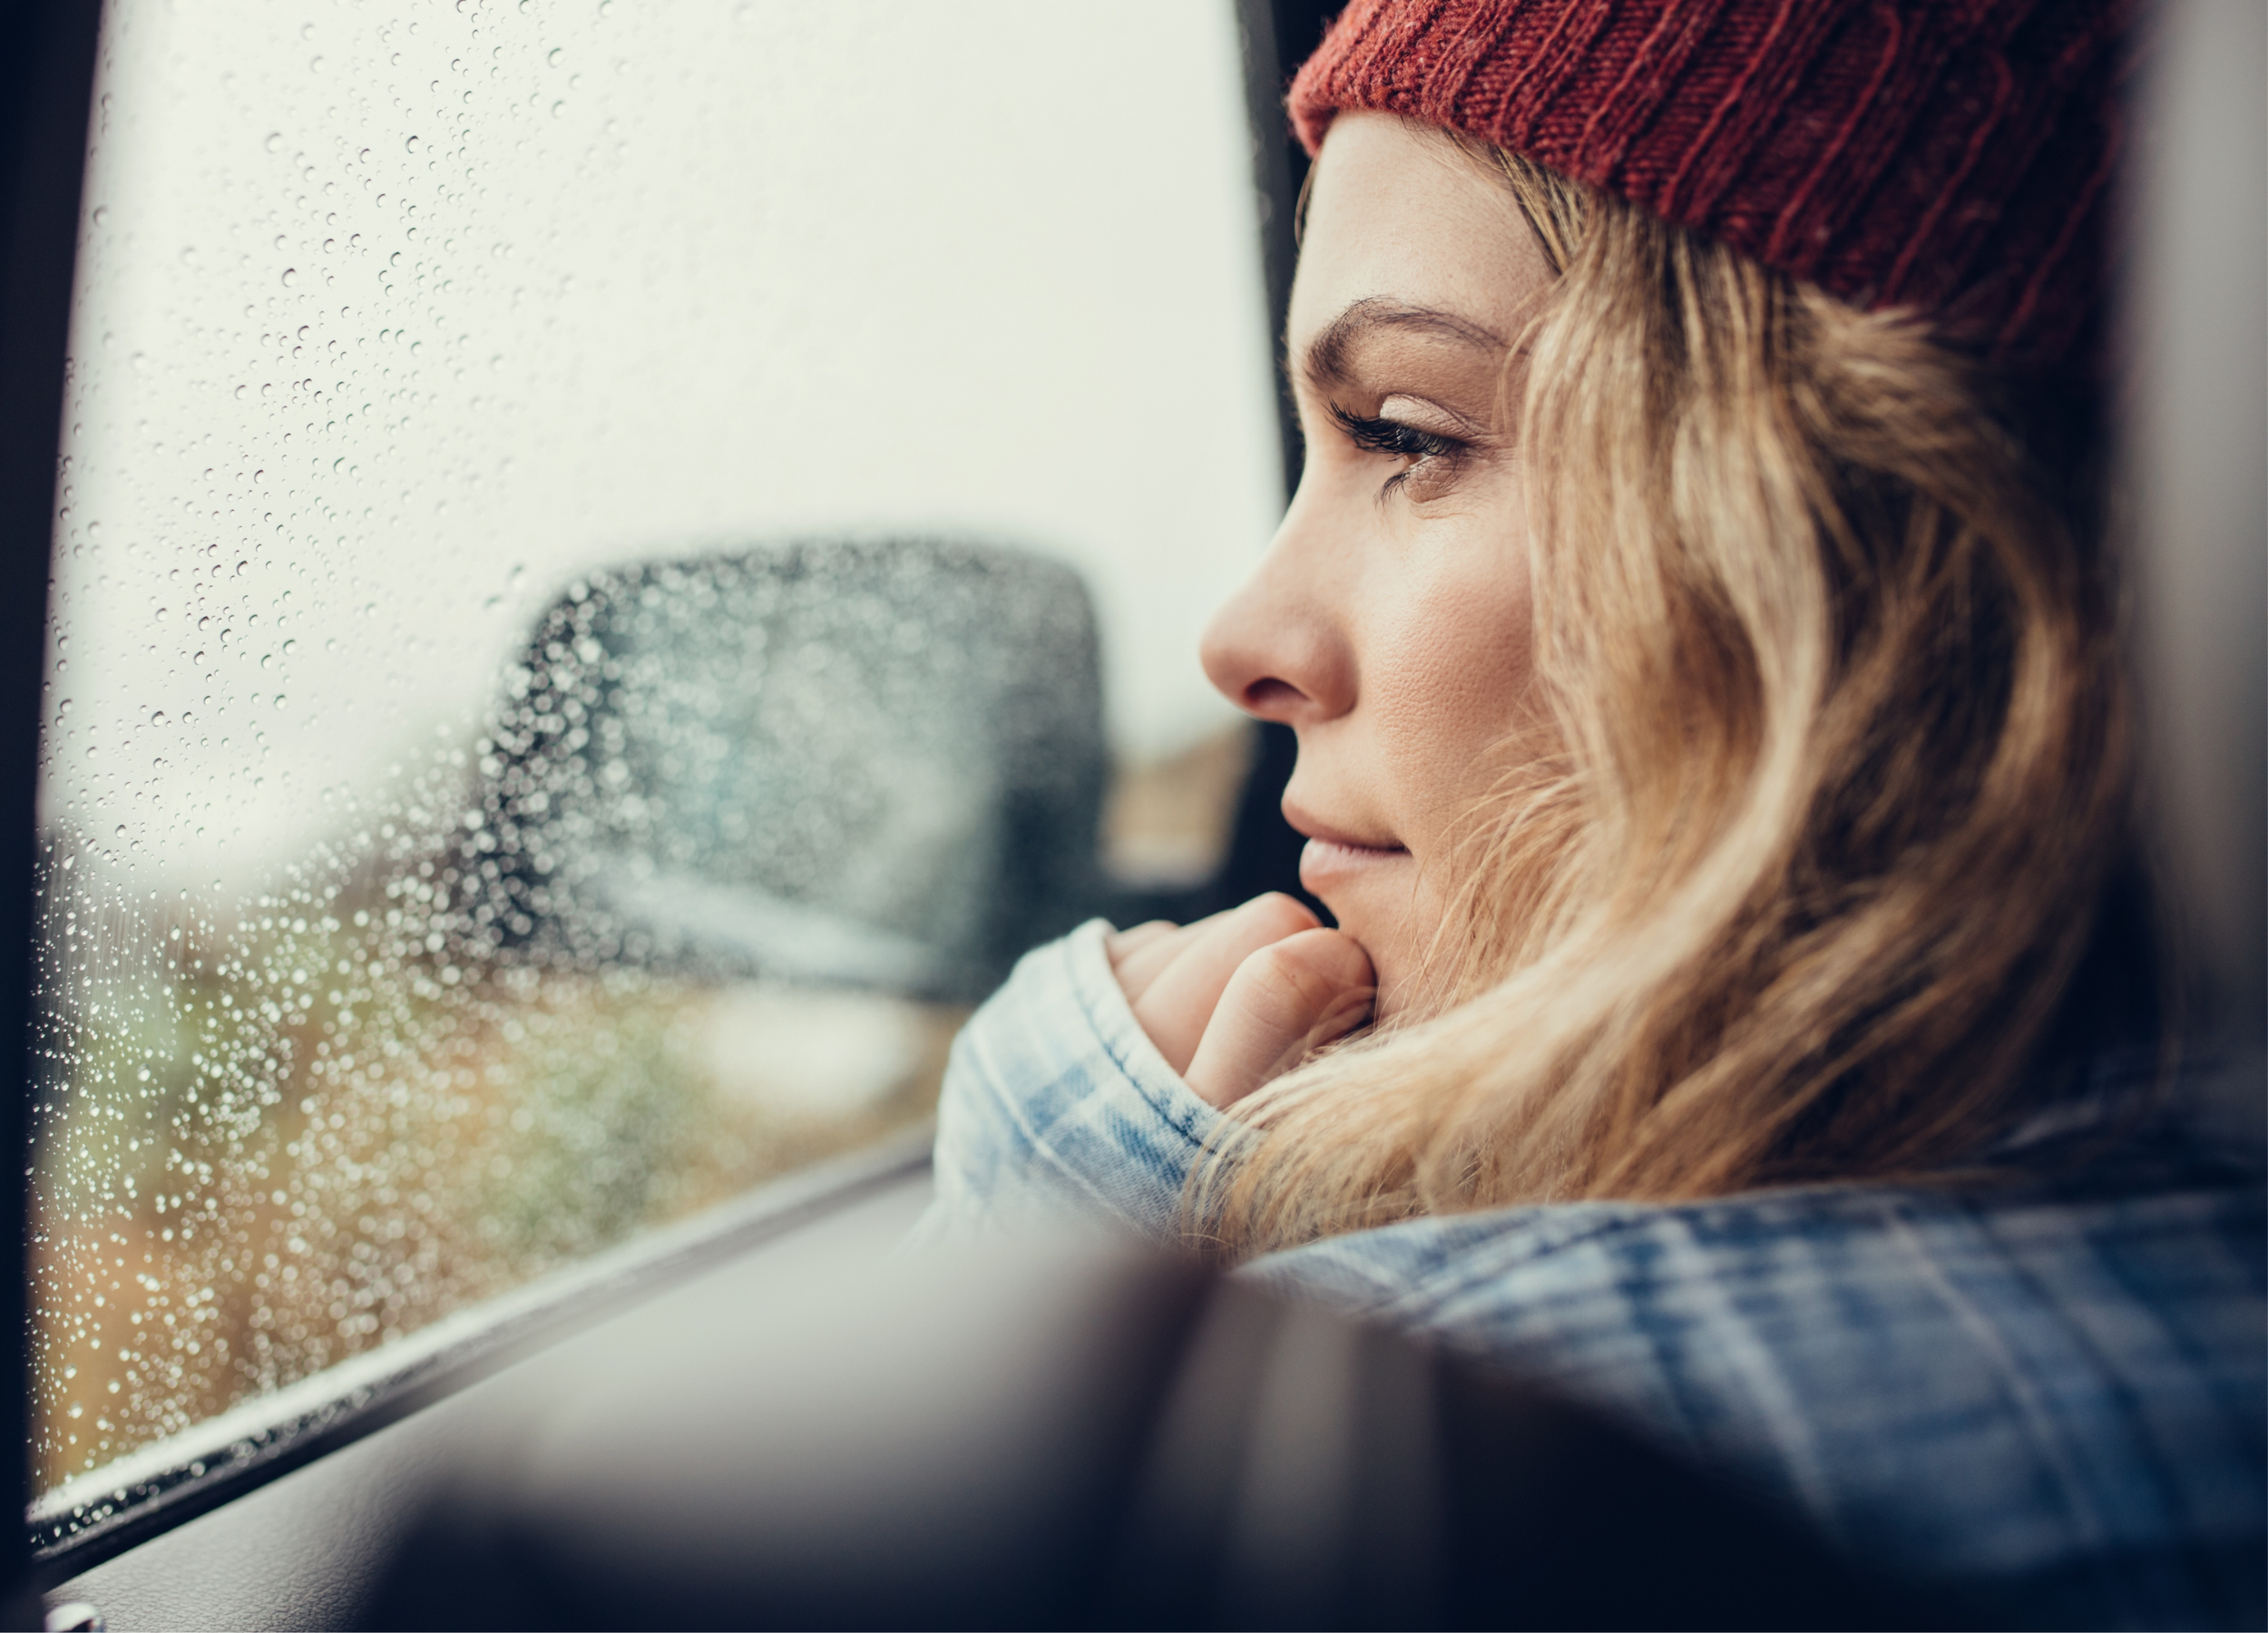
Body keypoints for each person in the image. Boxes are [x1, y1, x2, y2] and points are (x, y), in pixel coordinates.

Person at [916, 2, 2264, 1623]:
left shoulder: (1449, 1440)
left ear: (1863, 547)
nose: (1242, 641)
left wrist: (1080, 1255)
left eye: (1405, 435)